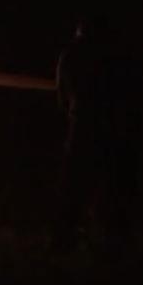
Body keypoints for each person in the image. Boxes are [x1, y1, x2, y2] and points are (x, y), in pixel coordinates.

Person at [52, 15, 114, 252]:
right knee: (102, 182)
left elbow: (62, 94)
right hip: (105, 127)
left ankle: (66, 238)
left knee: (73, 182)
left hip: (82, 125)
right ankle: (101, 237)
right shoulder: (107, 57)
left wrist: (72, 110)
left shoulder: (71, 55)